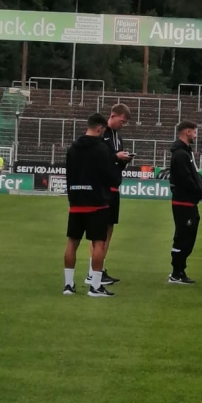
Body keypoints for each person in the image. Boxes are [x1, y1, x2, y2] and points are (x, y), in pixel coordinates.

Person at [63, 113, 121, 298]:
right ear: (99, 128)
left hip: (76, 201)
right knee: (98, 243)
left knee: (72, 242)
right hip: (96, 202)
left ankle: (68, 285)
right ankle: (95, 286)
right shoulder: (102, 149)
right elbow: (110, 175)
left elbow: (68, 174)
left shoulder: (72, 148)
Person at [87, 102, 132, 288]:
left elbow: (114, 162)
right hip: (101, 188)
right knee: (98, 231)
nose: (123, 125)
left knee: (109, 229)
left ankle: (100, 268)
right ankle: (92, 272)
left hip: (114, 187)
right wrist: (115, 157)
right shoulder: (101, 133)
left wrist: (123, 160)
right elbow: (97, 158)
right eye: (122, 121)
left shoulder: (118, 138)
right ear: (112, 115)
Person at [169, 120, 202, 284]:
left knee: (187, 237)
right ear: (187, 132)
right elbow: (185, 179)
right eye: (194, 132)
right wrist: (197, 190)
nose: (195, 135)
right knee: (183, 237)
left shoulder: (186, 153)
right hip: (183, 202)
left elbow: (192, 176)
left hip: (188, 202)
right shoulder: (180, 155)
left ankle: (179, 271)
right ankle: (176, 272)